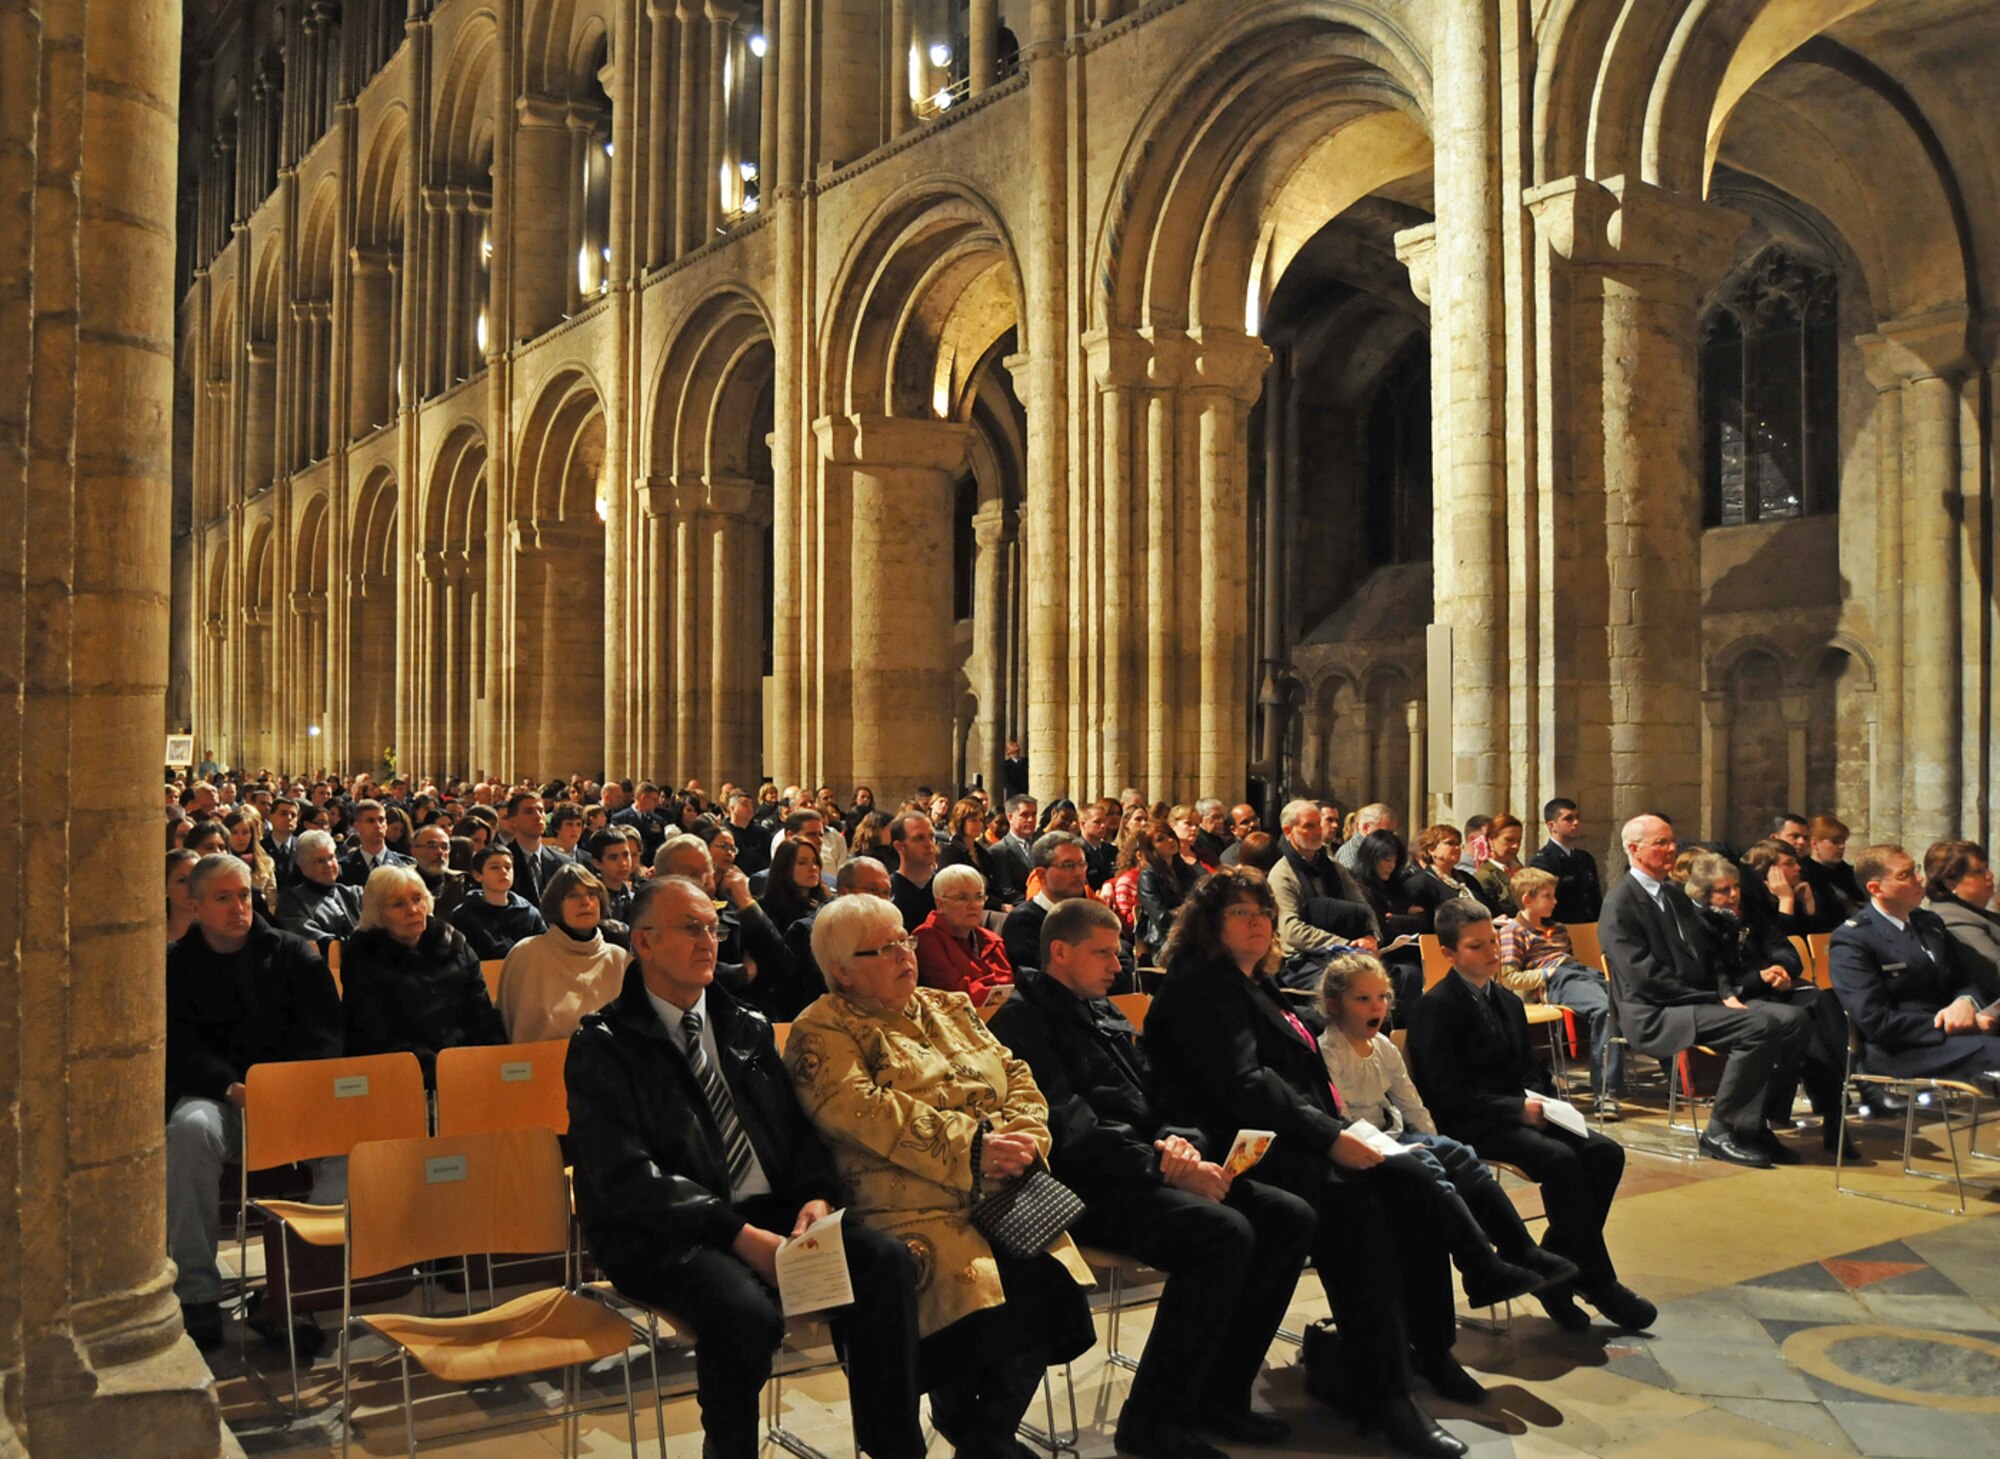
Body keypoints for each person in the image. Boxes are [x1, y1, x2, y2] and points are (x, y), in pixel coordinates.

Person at [566, 878, 927, 1459]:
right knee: (745, 1314)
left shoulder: (745, 1025)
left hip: (768, 1217)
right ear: (644, 942)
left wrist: (815, 1196)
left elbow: (795, 1131)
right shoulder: (604, 1043)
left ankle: (893, 1449)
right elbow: (625, 1174)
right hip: (663, 1232)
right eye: (691, 927)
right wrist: (735, 1234)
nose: (709, 939)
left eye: (714, 926)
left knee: (884, 1262)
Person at [1140, 868, 1468, 1458]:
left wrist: (1333, 1130)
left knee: (1412, 1188)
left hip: (1289, 1139)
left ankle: (1428, 1355)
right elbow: (1246, 1087)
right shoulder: (1200, 987)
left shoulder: (1253, 983)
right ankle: (1390, 1395)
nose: (1259, 920)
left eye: (1264, 910)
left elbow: (1292, 1077)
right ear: (1210, 925)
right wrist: (1330, 1137)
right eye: (1241, 912)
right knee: (1360, 1209)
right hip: (1237, 1152)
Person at [992, 899, 1314, 1459]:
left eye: (1117, 951)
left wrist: (1182, 1140)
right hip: (1083, 1184)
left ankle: (1221, 1391)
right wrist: (1160, 1164)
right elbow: (1066, 1127)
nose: (1117, 964)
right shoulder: (1022, 1018)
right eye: (1102, 953)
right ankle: (1153, 1422)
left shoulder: (1103, 1008)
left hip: (1148, 1165)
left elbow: (1157, 1093)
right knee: (1222, 1234)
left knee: (1289, 1217)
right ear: (1060, 953)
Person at [787, 894, 1096, 1457]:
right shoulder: (823, 1027)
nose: (906, 955)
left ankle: (985, 1435)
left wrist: (1022, 1140)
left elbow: (1017, 1075)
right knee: (978, 1297)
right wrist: (975, 1147)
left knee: (1050, 1284)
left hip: (1001, 1191)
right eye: (884, 949)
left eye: (905, 939)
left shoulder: (950, 1005)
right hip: (905, 1206)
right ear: (841, 969)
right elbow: (862, 1109)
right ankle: (981, 1434)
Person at [1405, 901, 1655, 1336]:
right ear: (1449, 953)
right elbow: (1444, 1091)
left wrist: (1552, 1102)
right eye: (1475, 946)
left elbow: (1527, 1070)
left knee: (1605, 1152)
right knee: (1560, 1161)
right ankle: (1597, 1282)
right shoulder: (1436, 1006)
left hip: (1518, 1111)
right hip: (1469, 1122)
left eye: (1493, 943)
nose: (1491, 954)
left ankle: (1557, 1271)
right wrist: (1513, 1109)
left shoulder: (1505, 999)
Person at [1316, 953, 1577, 1306]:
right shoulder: (1328, 1050)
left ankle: (1521, 1249)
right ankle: (1480, 1265)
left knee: (1458, 1154)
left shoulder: (1382, 1046)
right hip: (1360, 1144)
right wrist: (1415, 1148)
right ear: (1334, 1005)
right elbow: (1340, 1115)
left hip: (1393, 1134)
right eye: (1362, 999)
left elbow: (1410, 1101)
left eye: (1382, 997)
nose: (1376, 1006)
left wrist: (1433, 1138)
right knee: (1429, 1166)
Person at [166, 855, 341, 1350]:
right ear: (195, 906)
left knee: (354, 1146)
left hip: (293, 1098)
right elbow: (179, 1048)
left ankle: (291, 1291)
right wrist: (232, 1088)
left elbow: (325, 1036)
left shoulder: (293, 954)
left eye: (244, 895)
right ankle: (198, 1291)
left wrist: (284, 1090)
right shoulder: (177, 965)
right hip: (220, 1099)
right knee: (187, 1130)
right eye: (223, 898)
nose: (239, 906)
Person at [1600, 814, 1811, 1168]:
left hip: (1697, 1001)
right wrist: (1716, 1000)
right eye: (1661, 843)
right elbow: (1644, 978)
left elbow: (1710, 957)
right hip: (1655, 1011)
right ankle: (1720, 1130)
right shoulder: (1619, 903)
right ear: (1634, 850)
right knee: (1758, 1027)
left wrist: (1726, 992)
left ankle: (1755, 1124)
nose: (1672, 849)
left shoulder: (1673, 893)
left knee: (1794, 1019)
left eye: (1671, 840)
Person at [1682, 852, 1850, 1155]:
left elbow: (1785, 950)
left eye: (1736, 887)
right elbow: (1714, 981)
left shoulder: (1748, 912)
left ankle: (1832, 1108)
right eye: (1724, 890)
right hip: (1731, 998)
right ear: (1703, 895)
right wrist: (1760, 977)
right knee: (1801, 1020)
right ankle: (1817, 1110)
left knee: (1825, 1001)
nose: (1734, 895)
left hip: (1767, 989)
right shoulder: (1696, 923)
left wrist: (1782, 971)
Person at [1828, 844, 2000, 1084]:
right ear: (1877, 889)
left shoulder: (1929, 922)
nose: (1919, 879)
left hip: (1951, 1038)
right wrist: (1949, 1023)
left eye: (1915, 869)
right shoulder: (1854, 939)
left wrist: (1966, 1002)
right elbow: (1876, 1021)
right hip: (1901, 1049)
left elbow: (1962, 979)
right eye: (1905, 875)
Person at [339, 864, 505, 1084]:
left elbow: (482, 1015)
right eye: (398, 904)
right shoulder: (362, 955)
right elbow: (372, 1031)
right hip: (398, 1072)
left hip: (465, 1064)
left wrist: (485, 1059)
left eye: (418, 899)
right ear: (377, 913)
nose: (413, 910)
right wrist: (435, 1069)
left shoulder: (455, 944)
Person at [1496, 868, 1622, 1117]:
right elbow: (1509, 979)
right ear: (1527, 900)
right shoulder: (1513, 931)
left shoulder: (1559, 929)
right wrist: (1547, 975)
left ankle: (1681, 1081)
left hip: (1579, 972)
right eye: (1548, 896)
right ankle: (1606, 1093)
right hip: (1556, 980)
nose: (1555, 902)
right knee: (1605, 1010)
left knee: (1634, 1001)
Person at [497, 862, 631, 1042]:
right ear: (555, 905)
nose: (586, 902)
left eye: (592, 894)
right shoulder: (527, 954)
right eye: (573, 895)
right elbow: (511, 1030)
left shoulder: (620, 959)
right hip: (539, 1065)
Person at [913, 864, 1015, 1007]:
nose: (974, 905)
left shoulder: (992, 940)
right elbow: (957, 995)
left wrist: (983, 987)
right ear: (940, 904)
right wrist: (992, 989)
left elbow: (1008, 988)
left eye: (979, 897)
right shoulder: (926, 938)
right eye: (963, 898)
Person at [1001, 830, 1093, 974]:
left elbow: (1119, 958)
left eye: (1081, 864)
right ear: (1041, 874)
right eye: (1068, 865)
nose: (1078, 873)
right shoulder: (1023, 921)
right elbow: (1037, 977)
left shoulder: (1089, 914)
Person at [1924, 839, 2000, 1005]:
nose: (1990, 875)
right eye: (1979, 871)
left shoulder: (1976, 913)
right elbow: (1994, 971)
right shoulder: (1952, 918)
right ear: (1951, 882)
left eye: (1986, 867)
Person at [448, 844, 548, 960]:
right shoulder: (463, 915)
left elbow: (545, 953)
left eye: (508, 867)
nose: (503, 872)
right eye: (495, 867)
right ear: (478, 875)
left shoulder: (530, 913)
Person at [275, 829, 364, 943]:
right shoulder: (291, 900)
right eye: (320, 861)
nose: (328, 865)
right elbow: (316, 942)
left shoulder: (353, 893)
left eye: (331, 857)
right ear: (303, 867)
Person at [1529, 799, 1601, 924]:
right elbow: (1541, 906)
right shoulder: (1544, 861)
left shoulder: (1584, 858)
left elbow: (1594, 899)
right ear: (1552, 825)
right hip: (1560, 930)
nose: (1576, 823)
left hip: (1588, 928)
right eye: (1568, 819)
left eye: (1577, 817)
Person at [1799, 815, 1863, 931]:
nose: (1842, 846)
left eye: (1843, 842)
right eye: (1835, 842)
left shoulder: (1846, 871)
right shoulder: (1803, 871)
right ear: (1815, 843)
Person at [505, 790, 567, 906]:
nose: (538, 816)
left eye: (541, 811)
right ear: (513, 822)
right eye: (529, 812)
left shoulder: (563, 863)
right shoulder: (502, 862)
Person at [759, 835, 827, 935]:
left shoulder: (823, 904)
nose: (813, 868)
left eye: (815, 862)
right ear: (784, 868)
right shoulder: (765, 910)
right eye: (802, 862)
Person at [937, 797, 999, 905]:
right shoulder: (950, 852)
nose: (979, 824)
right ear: (961, 821)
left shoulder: (982, 853)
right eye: (973, 820)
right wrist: (998, 905)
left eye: (981, 820)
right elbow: (955, 889)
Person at [338, 799, 414, 886]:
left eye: (381, 820)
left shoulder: (406, 865)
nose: (378, 825)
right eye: (370, 821)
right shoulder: (344, 869)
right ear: (357, 826)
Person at [888, 810, 942, 931]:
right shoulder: (889, 890)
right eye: (919, 838)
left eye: (931, 837)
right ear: (900, 847)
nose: (929, 844)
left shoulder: (945, 887)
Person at [408, 821, 469, 923]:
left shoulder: (462, 883)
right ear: (414, 851)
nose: (440, 852)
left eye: (445, 847)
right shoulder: (402, 882)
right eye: (431, 846)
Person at [988, 795, 1038, 907]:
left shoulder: (1040, 844)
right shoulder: (999, 851)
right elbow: (1006, 890)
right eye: (1024, 815)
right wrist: (1034, 905)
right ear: (1010, 817)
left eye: (1034, 814)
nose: (1031, 820)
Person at [1473, 814, 1525, 917]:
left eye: (1518, 840)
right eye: (1509, 840)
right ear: (1491, 840)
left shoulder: (1522, 870)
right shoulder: (1484, 876)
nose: (1516, 846)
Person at [1334, 803, 1399, 877]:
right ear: (1366, 828)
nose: (1390, 837)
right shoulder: (1350, 852)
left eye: (1392, 833)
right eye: (1385, 832)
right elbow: (1354, 884)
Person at [167, 847, 201, 945]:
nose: (192, 886)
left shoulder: (216, 932)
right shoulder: (151, 934)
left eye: (196, 878)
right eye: (182, 880)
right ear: (164, 886)